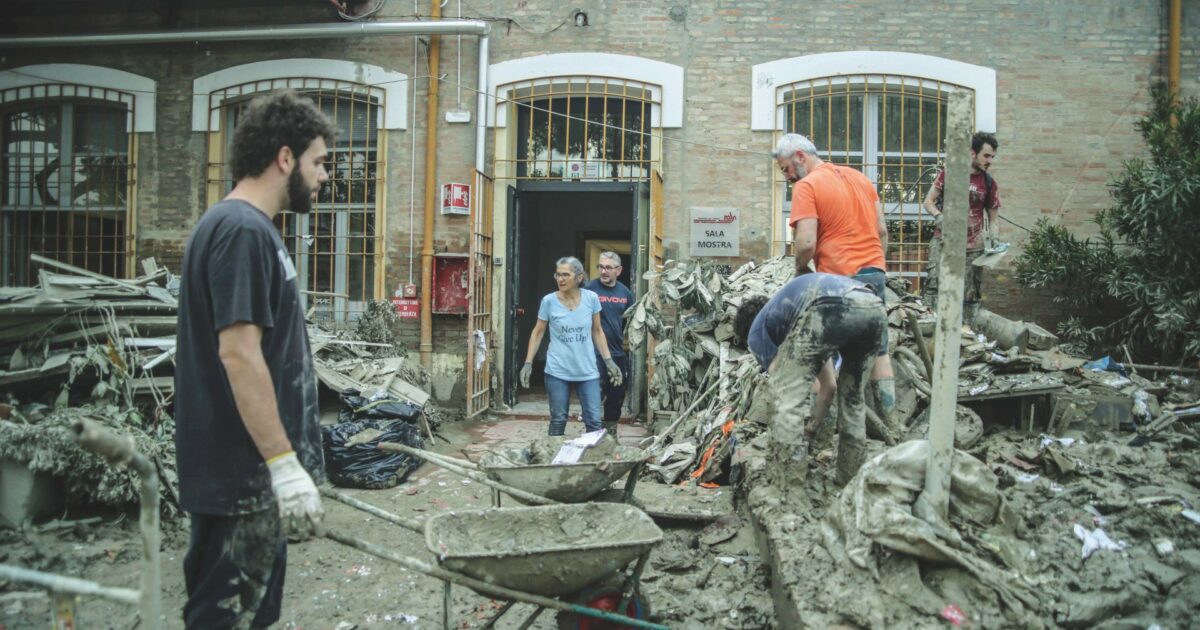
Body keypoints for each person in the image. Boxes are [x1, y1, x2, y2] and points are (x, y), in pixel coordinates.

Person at [174, 90, 334, 628]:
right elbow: (239, 355)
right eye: (319, 162)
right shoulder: (241, 231)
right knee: (226, 620)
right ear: (284, 158)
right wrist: (283, 467)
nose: (323, 176)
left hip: (247, 481)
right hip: (241, 480)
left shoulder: (246, 228)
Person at [771, 133, 898, 432]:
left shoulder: (807, 185)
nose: (788, 177)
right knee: (878, 352)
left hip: (838, 281)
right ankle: (893, 426)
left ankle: (823, 429)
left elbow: (805, 243)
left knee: (821, 351)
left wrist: (801, 272)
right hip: (873, 275)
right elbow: (881, 231)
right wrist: (876, 265)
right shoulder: (860, 179)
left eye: (786, 169)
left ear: (800, 156)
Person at [734, 272, 887, 489]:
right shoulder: (800, 316)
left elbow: (785, 385)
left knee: (787, 392)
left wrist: (789, 436)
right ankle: (849, 480)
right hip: (872, 306)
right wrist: (810, 429)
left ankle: (788, 483)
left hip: (828, 306)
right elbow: (828, 387)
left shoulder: (756, 331)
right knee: (852, 398)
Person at [520, 256, 624, 436]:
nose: (560, 279)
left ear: (579, 277)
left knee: (593, 420)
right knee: (559, 419)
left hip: (587, 370)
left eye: (565, 275)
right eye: (558, 275)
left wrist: (609, 362)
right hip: (557, 370)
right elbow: (538, 332)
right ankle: (555, 460)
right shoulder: (549, 301)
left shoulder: (591, 298)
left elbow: (597, 331)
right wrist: (528, 363)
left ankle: (592, 460)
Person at [921, 131, 1002, 314]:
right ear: (973, 153)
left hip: (973, 248)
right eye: (986, 156)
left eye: (992, 157)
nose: (989, 160)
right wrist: (939, 217)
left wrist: (995, 240)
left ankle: (966, 337)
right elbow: (928, 202)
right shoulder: (950, 173)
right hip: (944, 242)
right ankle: (930, 335)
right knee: (934, 290)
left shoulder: (989, 183)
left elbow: (994, 218)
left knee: (969, 297)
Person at [584, 251, 635, 433]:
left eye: (608, 267)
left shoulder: (625, 292)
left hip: (617, 353)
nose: (604, 271)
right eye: (601, 267)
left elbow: (632, 322)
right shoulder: (589, 290)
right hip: (593, 353)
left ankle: (611, 433)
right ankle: (592, 434)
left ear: (619, 270)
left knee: (616, 396)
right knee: (594, 395)